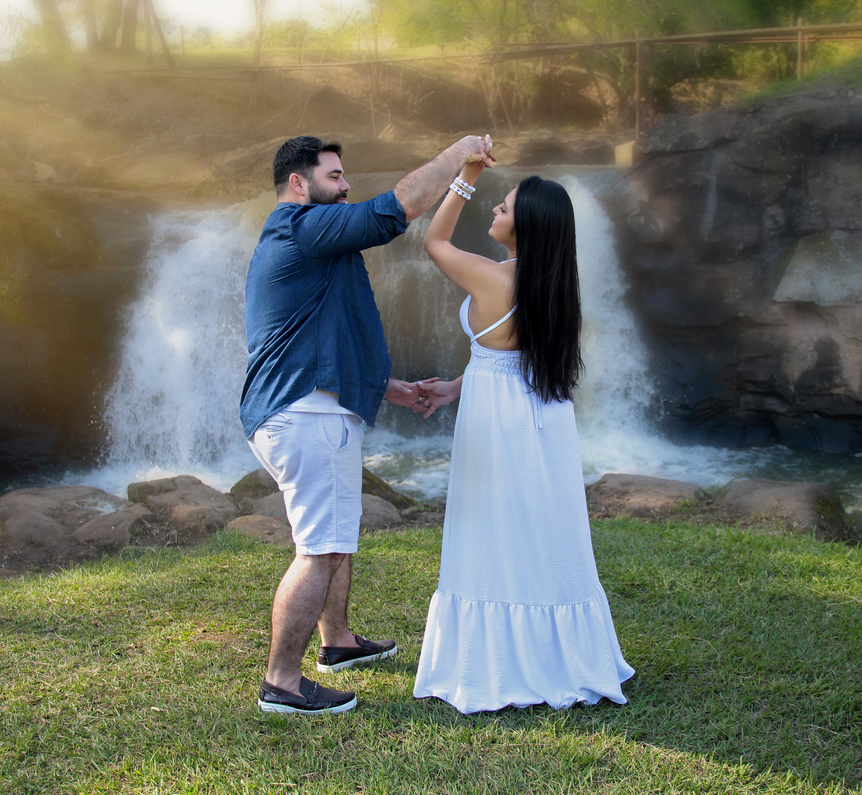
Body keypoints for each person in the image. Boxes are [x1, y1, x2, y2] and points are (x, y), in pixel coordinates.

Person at [242, 134, 495, 715]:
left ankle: (338, 642)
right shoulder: (302, 228)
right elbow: (394, 211)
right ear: (299, 185)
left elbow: (321, 336)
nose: (346, 184)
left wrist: (393, 389)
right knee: (319, 549)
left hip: (307, 408)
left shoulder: (310, 246)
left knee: (336, 537)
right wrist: (457, 155)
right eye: (334, 176)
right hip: (307, 415)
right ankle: (281, 682)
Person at [411, 151, 635, 713]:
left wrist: (467, 175)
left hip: (497, 426)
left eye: (503, 205)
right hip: (544, 420)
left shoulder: (491, 277)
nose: (494, 207)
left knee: (491, 532)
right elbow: (512, 358)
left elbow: (434, 241)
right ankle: (559, 657)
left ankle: (499, 664)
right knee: (544, 530)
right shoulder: (556, 284)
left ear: (524, 223)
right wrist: (458, 385)